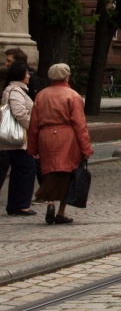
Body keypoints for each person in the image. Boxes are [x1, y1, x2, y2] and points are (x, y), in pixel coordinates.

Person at [26, 63, 93, 225]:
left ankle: (50, 203)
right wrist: (86, 148)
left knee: (49, 172)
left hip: (45, 136)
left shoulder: (41, 95)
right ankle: (61, 212)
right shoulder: (73, 96)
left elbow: (33, 124)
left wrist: (32, 147)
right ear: (66, 76)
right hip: (66, 137)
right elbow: (79, 124)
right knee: (67, 174)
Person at [2, 61, 36, 216]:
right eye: (27, 73)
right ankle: (21, 204)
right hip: (19, 138)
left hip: (17, 138)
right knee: (26, 169)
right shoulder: (16, 91)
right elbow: (19, 113)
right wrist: (33, 127)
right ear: (21, 75)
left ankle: (14, 204)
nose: (29, 75)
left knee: (18, 170)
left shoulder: (14, 89)